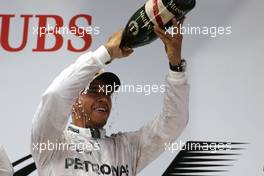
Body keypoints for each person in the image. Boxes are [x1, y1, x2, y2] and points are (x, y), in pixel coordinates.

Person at [31, 17, 189, 176]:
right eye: (93, 90)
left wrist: (176, 67)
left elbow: (174, 122)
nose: (104, 97)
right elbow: (55, 95)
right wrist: (105, 54)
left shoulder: (126, 147)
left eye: (108, 91)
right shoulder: (51, 144)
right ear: (73, 100)